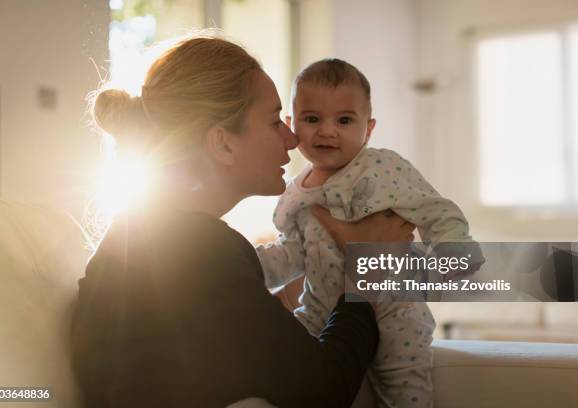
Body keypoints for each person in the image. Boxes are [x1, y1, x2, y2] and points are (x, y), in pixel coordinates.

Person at [71, 35, 417, 408]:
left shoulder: (149, 235)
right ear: (222, 144)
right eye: (273, 122)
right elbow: (324, 389)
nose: (291, 138)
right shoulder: (198, 248)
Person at [255, 59, 483, 407]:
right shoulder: (293, 193)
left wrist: (454, 248)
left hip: (394, 306)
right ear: (292, 124)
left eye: (344, 120)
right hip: (321, 307)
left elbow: (435, 209)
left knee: (404, 382)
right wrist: (249, 266)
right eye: (312, 119)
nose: (327, 131)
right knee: (284, 366)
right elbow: (291, 253)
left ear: (369, 128)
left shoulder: (381, 168)